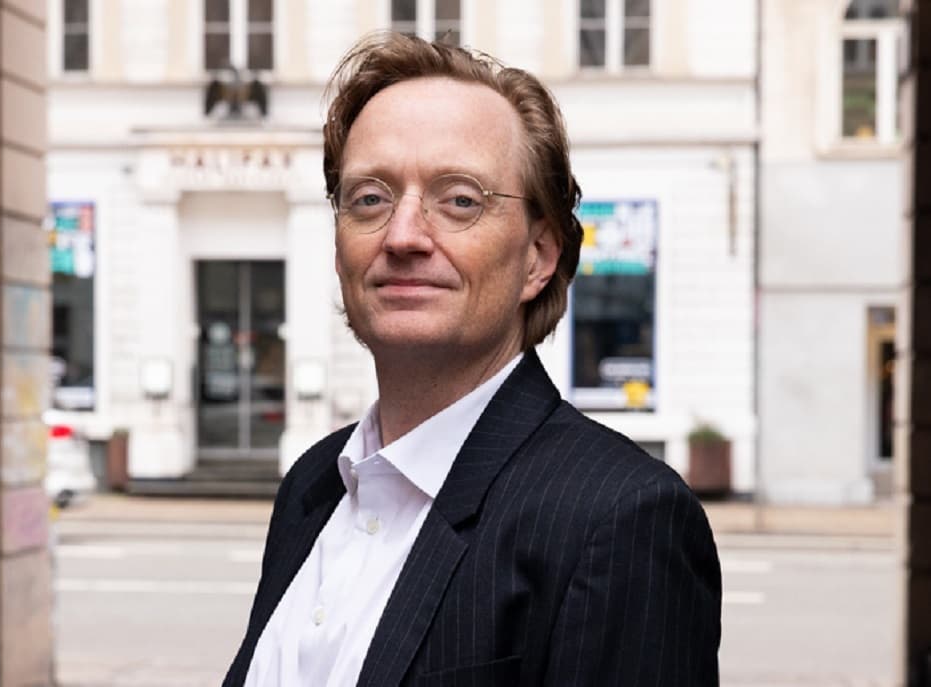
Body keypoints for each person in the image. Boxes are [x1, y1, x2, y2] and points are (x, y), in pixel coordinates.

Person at [225, 32, 721, 687]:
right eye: (370, 197)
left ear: (538, 258)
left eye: (459, 199)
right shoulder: (312, 487)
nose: (403, 235)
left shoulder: (619, 518)